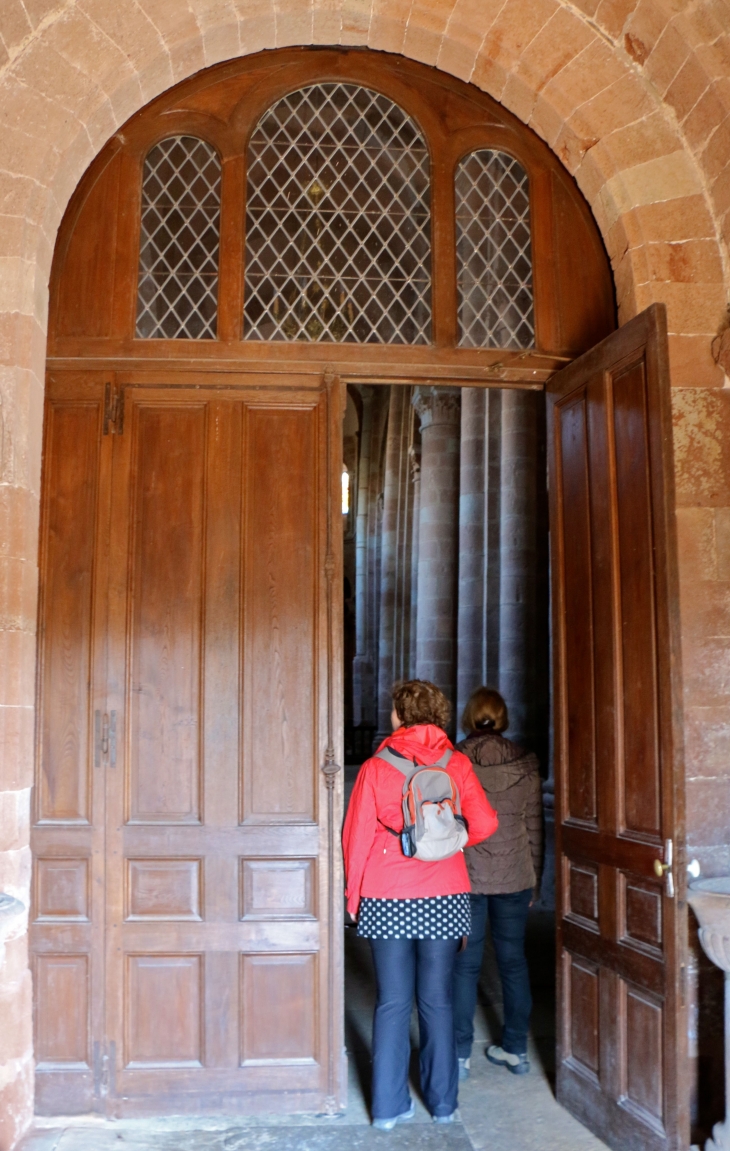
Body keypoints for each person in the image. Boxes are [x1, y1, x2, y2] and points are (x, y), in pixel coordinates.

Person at [343, 679, 498, 1130]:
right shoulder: (457, 764)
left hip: (387, 894)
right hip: (445, 894)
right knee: (437, 1001)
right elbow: (486, 823)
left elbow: (356, 839)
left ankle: (387, 1110)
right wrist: (454, 836)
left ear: (399, 715)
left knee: (391, 1002)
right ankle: (444, 1105)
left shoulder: (376, 766)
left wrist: (354, 898)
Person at [452, 687, 543, 1079]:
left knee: (464, 966)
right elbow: (534, 828)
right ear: (502, 718)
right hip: (515, 877)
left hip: (466, 879)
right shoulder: (526, 763)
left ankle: (458, 1054)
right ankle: (515, 1050)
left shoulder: (453, 761)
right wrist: (534, 879)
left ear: (469, 717)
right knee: (513, 963)